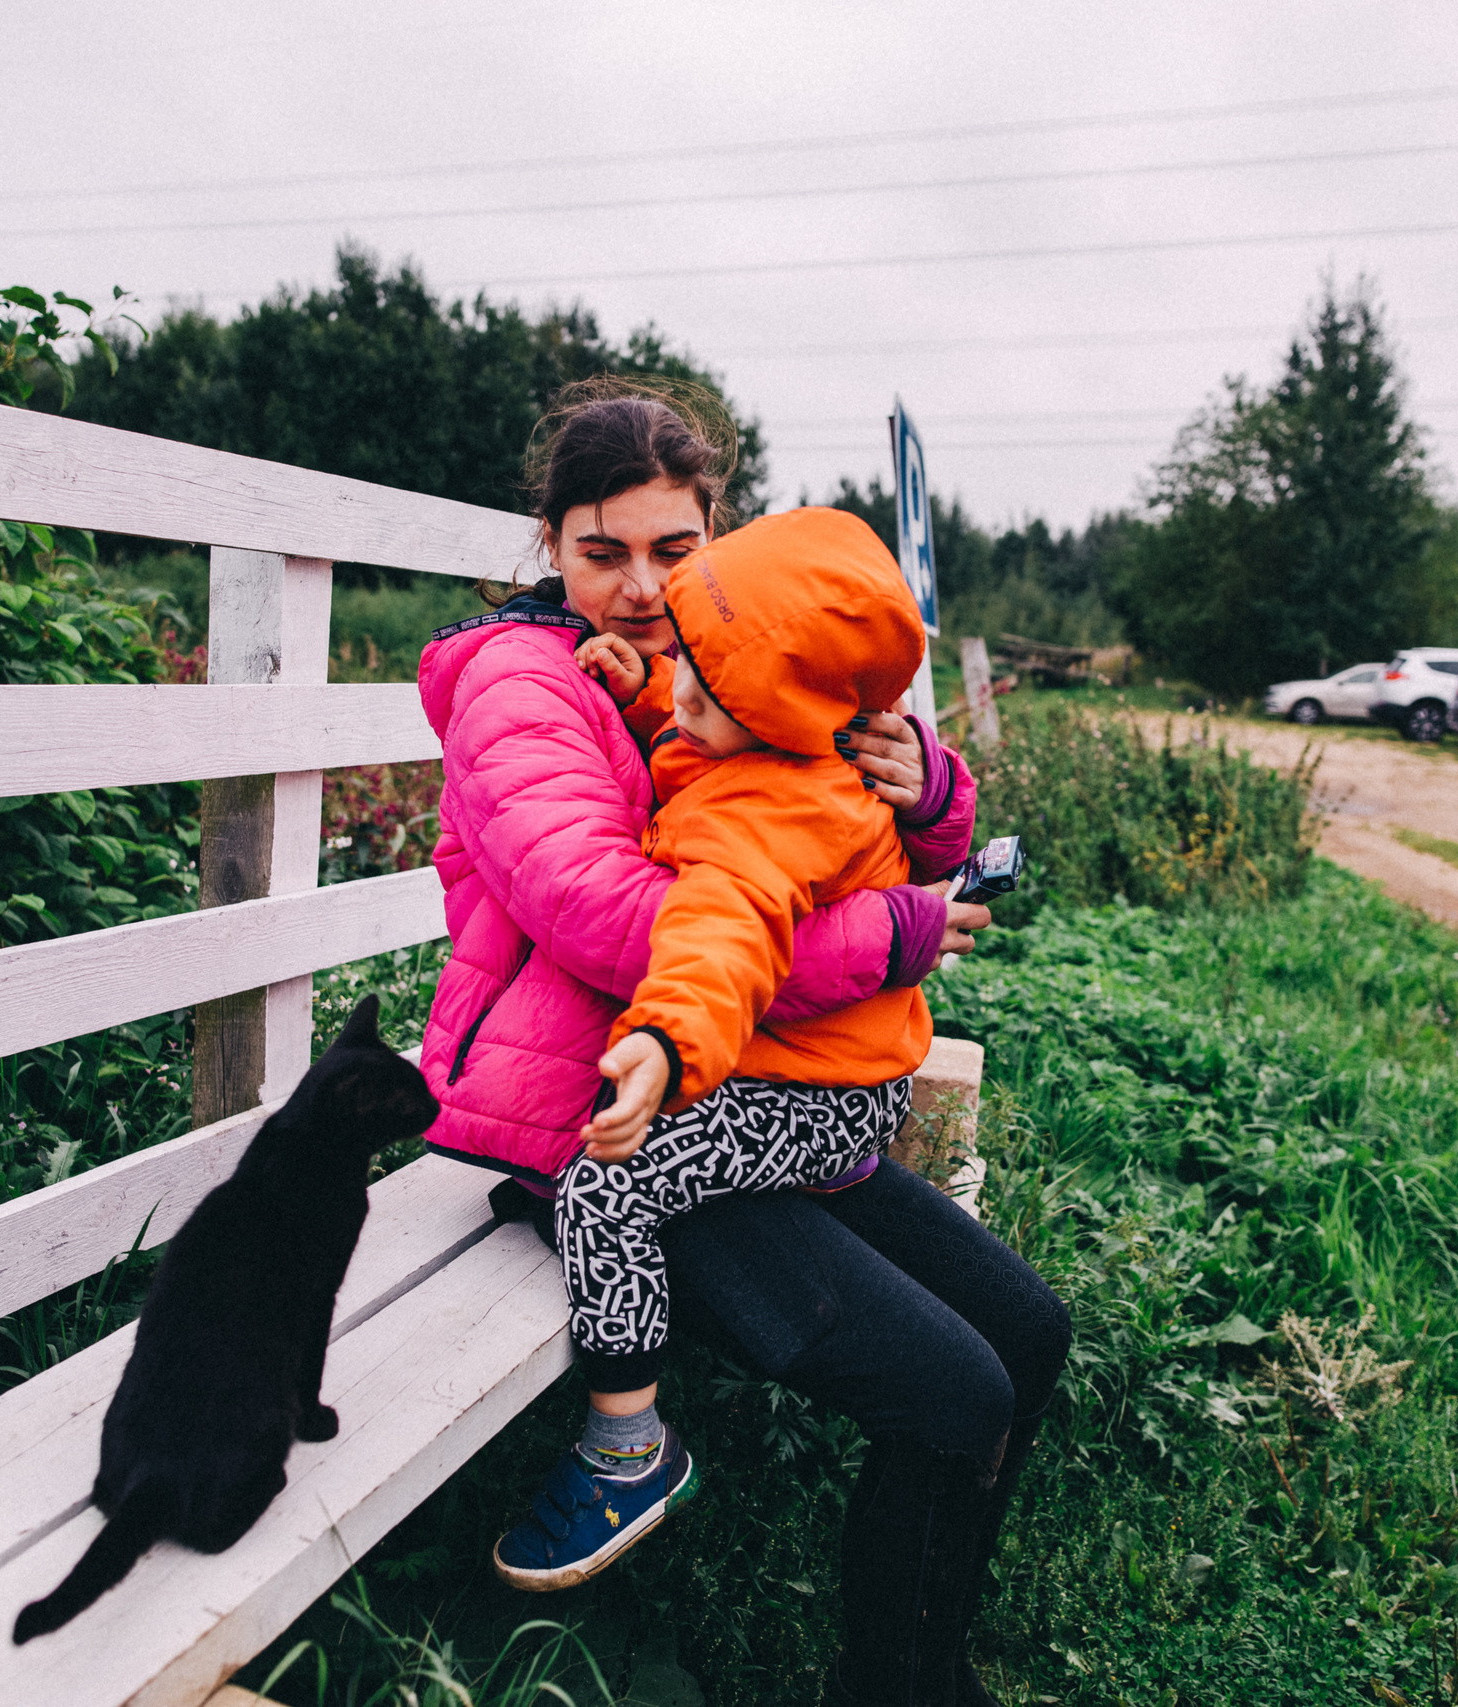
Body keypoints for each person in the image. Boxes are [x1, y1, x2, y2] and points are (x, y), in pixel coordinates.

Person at [417, 379, 1070, 1704]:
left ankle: (928, 1668)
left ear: (716, 536)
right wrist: (889, 935)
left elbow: (822, 805)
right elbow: (617, 921)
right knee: (952, 1392)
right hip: (601, 1115)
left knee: (1028, 1331)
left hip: (746, 1088)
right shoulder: (521, 682)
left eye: (675, 548)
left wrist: (928, 787)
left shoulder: (728, 664)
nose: (642, 587)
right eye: (603, 551)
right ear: (549, 542)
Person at [489, 506, 943, 1592]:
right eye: (686, 662)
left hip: (817, 1093)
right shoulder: (799, 739)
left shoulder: (762, 813)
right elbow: (707, 716)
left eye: (710, 684)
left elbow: (717, 936)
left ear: (776, 713)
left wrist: (662, 1041)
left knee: (606, 1183)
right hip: (846, 1059)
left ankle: (626, 1452)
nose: (683, 689)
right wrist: (649, 686)